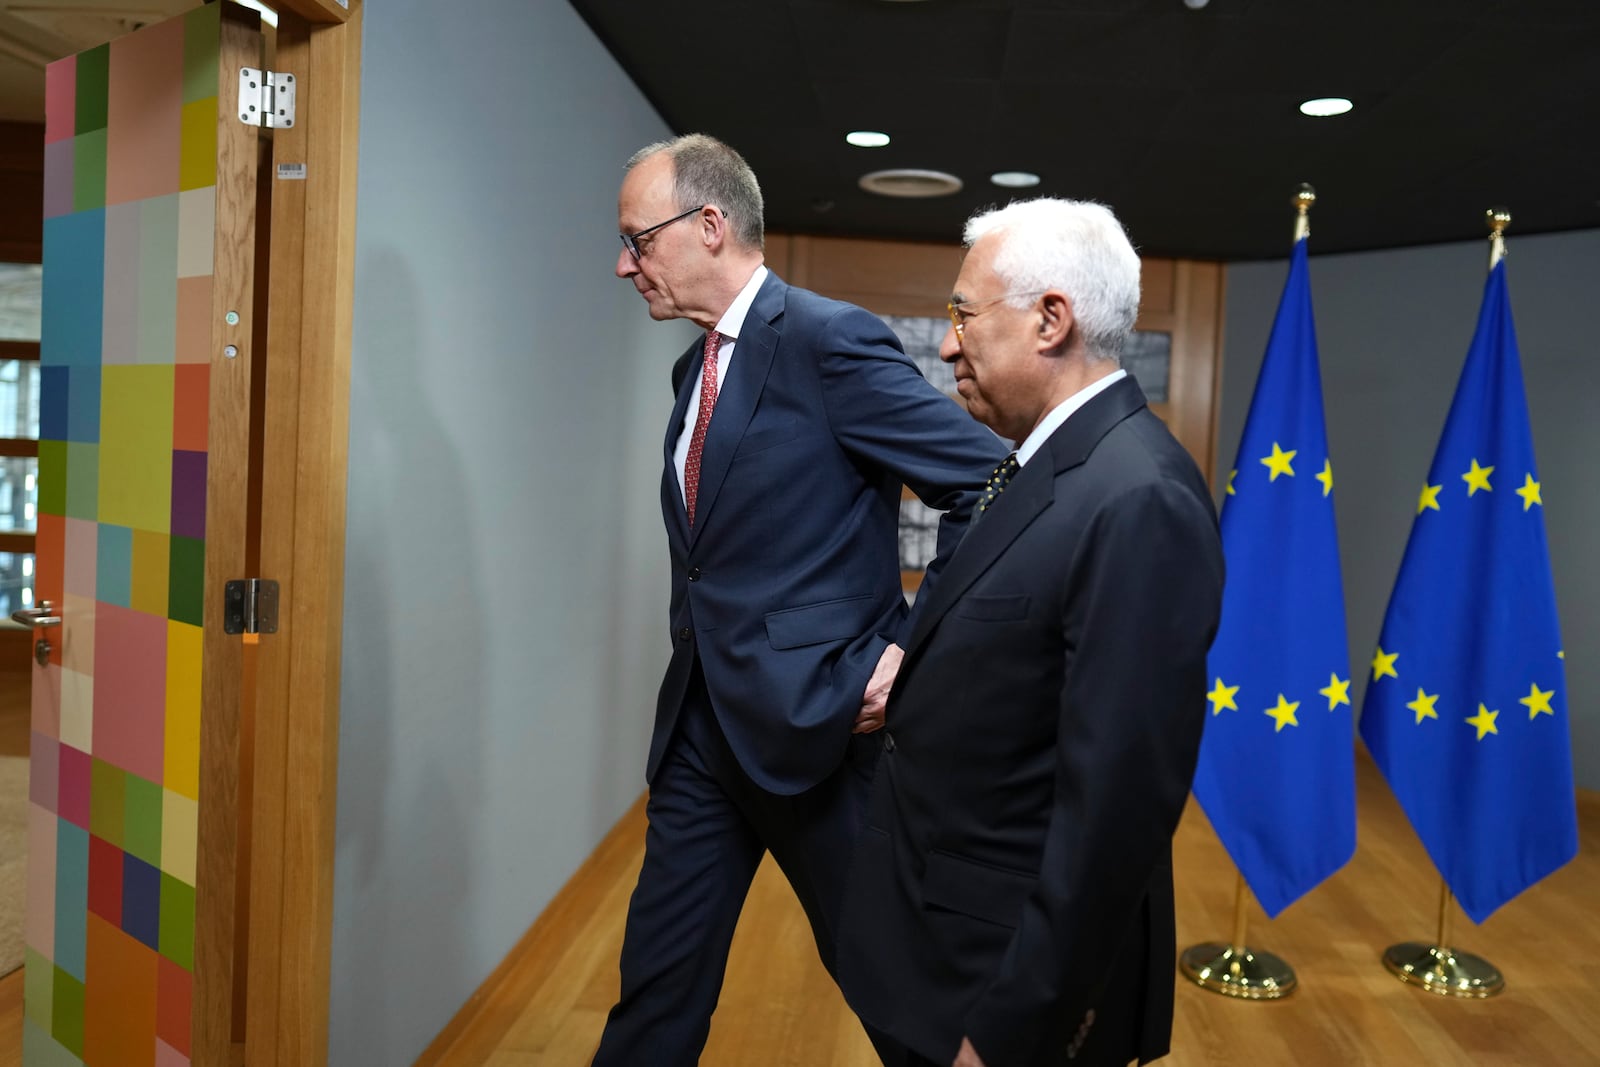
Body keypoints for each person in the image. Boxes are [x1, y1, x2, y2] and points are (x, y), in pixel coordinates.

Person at [592, 134, 1008, 1066]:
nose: (625, 264)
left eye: (638, 239)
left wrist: (912, 651)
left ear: (709, 225)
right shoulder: (690, 371)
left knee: (900, 1002)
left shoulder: (829, 340)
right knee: (655, 995)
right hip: (702, 734)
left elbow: (988, 484)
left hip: (824, 736)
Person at [836, 198, 1226, 1067]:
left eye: (963, 315)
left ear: (1051, 319)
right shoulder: (1045, 461)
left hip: (1005, 995)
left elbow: (1112, 817)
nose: (946, 345)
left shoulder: (1139, 498)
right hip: (941, 949)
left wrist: (1014, 1030)